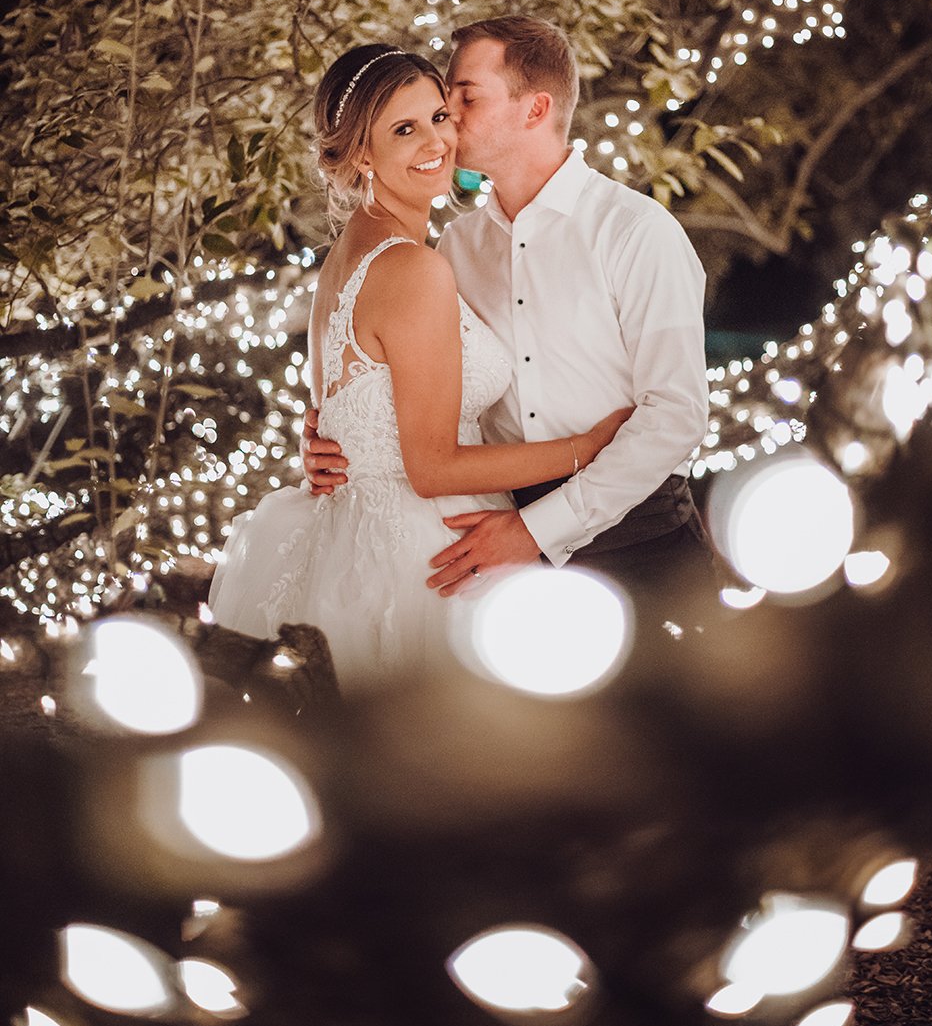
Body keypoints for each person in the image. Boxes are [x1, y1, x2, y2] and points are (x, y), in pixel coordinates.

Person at [208, 43, 629, 694]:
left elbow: (351, 404)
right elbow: (432, 468)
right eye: (404, 129)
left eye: (439, 116)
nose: (436, 140)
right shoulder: (412, 268)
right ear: (361, 155)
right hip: (425, 556)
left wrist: (323, 438)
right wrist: (589, 448)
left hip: (352, 540)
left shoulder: (349, 255)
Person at [303, 17, 712, 651]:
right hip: (487, 543)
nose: (451, 119)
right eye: (442, 105)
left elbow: (676, 416)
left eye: (464, 98)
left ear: (536, 108)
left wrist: (538, 530)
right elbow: (405, 382)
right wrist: (339, 443)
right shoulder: (456, 247)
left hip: (638, 544)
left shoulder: (636, 231)